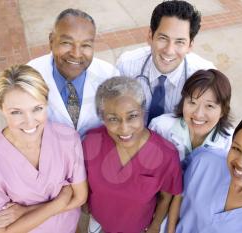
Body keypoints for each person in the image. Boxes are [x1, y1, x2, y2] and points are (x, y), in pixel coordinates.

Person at [0, 65, 87, 233]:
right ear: (1, 108)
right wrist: (58, 203)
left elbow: (80, 197)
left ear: (46, 103)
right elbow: (3, 231)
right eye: (16, 112)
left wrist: (25, 211)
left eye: (37, 109)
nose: (30, 122)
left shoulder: (68, 138)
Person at [83, 77, 182, 233]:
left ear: (143, 111)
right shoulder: (91, 142)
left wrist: (155, 225)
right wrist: (85, 203)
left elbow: (166, 197)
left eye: (132, 116)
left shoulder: (167, 155)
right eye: (113, 119)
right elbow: (85, 179)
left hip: (137, 228)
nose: (124, 129)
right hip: (98, 222)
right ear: (102, 118)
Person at [149, 68, 233, 232]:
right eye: (192, 102)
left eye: (209, 106)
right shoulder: (160, 127)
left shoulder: (229, 142)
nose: (198, 114)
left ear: (223, 110)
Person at [117, 0, 214, 124]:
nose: (169, 51)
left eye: (180, 42)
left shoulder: (206, 77)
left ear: (190, 46)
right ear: (150, 36)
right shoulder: (126, 65)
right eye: (163, 38)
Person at [28, 8, 119, 137]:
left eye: (85, 45)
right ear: (51, 41)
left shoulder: (110, 76)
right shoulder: (30, 76)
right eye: (66, 43)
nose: (76, 54)